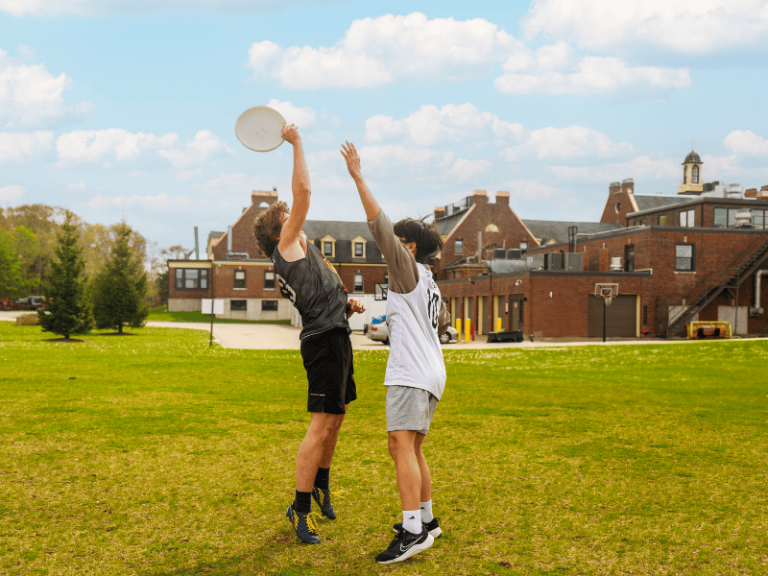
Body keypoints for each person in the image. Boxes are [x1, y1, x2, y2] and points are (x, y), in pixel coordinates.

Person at [253, 124, 365, 545]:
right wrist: (297, 143)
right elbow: (303, 194)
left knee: (337, 418)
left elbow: (321, 292)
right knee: (320, 426)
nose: (296, 218)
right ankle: (299, 510)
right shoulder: (285, 247)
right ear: (279, 231)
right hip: (322, 342)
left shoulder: (303, 251)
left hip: (336, 334)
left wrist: (346, 303)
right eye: (288, 219)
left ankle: (321, 484)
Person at [341, 141, 450, 564]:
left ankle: (412, 531)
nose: (390, 247)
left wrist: (357, 176)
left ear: (410, 247)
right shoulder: (429, 279)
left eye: (398, 242)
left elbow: (378, 225)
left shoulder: (406, 267)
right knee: (413, 447)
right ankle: (427, 519)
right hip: (431, 372)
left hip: (411, 372)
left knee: (399, 444)